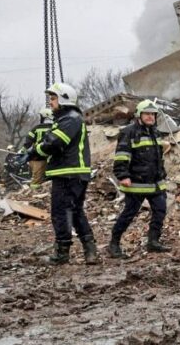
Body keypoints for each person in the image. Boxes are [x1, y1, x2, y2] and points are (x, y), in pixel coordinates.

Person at [28, 83, 98, 265]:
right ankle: (90, 251)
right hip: (74, 173)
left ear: (64, 99)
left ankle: (62, 253)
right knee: (75, 212)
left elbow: (54, 142)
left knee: (60, 212)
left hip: (68, 173)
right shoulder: (69, 118)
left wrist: (33, 151)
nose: (50, 102)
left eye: (53, 98)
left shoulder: (70, 119)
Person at [109, 99, 169, 258]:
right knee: (129, 214)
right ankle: (114, 244)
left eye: (153, 114)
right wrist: (123, 176)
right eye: (147, 114)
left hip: (156, 183)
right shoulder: (128, 132)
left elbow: (158, 157)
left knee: (160, 210)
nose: (150, 117)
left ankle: (153, 241)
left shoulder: (155, 132)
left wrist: (162, 173)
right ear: (139, 115)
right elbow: (121, 156)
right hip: (136, 183)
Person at [23, 108, 54, 190]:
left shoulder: (36, 128)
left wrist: (32, 152)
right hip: (53, 158)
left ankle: (33, 193)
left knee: (36, 180)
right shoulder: (56, 128)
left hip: (37, 158)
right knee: (49, 178)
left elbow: (27, 142)